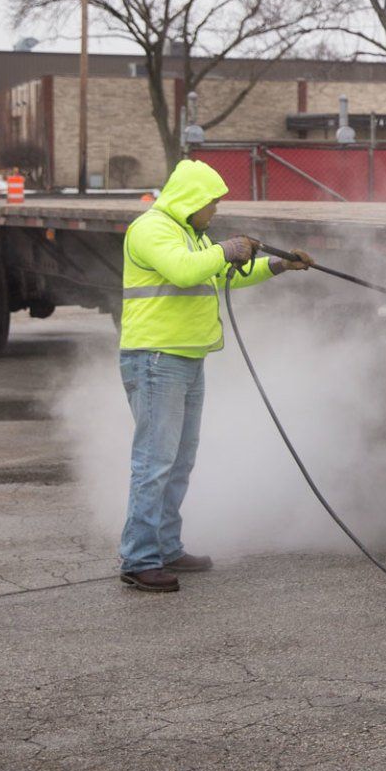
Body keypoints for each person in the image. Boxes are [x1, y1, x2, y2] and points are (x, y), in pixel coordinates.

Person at [116, 159, 313, 593]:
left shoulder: (191, 234)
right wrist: (225, 248)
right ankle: (139, 558)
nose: (217, 211)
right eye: (213, 203)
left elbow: (221, 276)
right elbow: (185, 270)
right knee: (155, 461)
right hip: (156, 359)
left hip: (186, 358)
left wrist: (277, 266)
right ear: (191, 200)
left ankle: (166, 547)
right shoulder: (151, 229)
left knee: (179, 460)